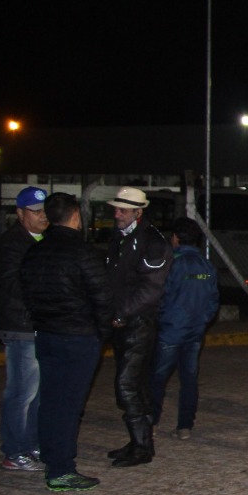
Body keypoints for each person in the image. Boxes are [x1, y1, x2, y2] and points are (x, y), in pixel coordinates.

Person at [20, 192, 113, 492]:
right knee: (69, 405)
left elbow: (26, 293)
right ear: (75, 216)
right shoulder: (83, 252)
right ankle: (61, 469)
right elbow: (102, 298)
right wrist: (101, 334)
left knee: (50, 400)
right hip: (77, 337)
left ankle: (51, 457)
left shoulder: (35, 252)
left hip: (46, 335)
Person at [105, 186, 172, 467]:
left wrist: (122, 312)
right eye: (116, 209)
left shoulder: (152, 242)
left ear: (138, 212)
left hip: (139, 322)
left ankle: (142, 446)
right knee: (136, 384)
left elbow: (151, 289)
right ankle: (139, 440)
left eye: (123, 210)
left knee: (127, 384)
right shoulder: (122, 237)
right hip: (124, 320)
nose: (117, 214)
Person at [0, 186, 49, 472]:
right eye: (36, 213)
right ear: (20, 213)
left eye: (44, 212)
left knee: (36, 393)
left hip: (37, 324)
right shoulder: (11, 244)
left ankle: (31, 444)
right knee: (21, 391)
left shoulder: (42, 239)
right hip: (21, 326)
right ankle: (15, 450)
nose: (42, 218)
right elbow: (12, 285)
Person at [150, 217, 219, 440]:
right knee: (189, 379)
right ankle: (185, 426)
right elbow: (213, 301)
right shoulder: (206, 265)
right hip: (195, 331)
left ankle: (151, 422)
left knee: (158, 378)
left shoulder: (172, 264)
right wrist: (201, 321)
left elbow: (161, 297)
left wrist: (162, 320)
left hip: (171, 329)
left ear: (176, 238)